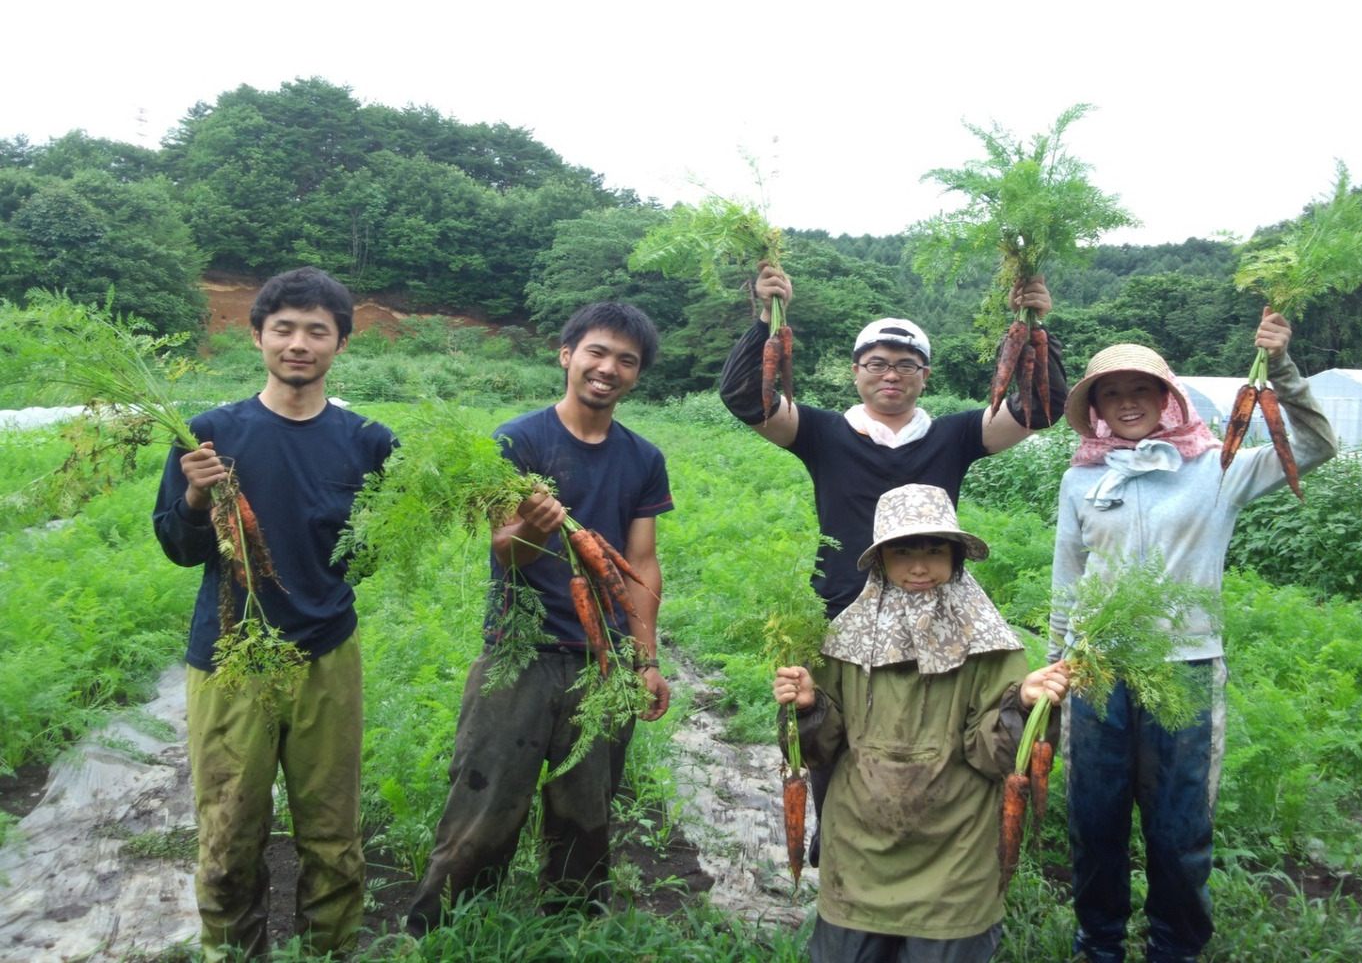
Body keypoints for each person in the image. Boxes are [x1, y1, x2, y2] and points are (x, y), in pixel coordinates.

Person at [1049, 309, 1338, 963]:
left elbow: (1317, 447)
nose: (1127, 403)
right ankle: (1098, 944)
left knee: (1178, 827)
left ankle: (1175, 947)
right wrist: (1056, 665)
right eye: (1112, 394)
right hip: (1095, 668)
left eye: (1141, 390)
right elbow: (1068, 577)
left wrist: (1283, 370)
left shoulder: (1219, 466)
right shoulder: (1082, 477)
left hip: (1185, 665)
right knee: (1093, 820)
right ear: (1096, 408)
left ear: (1168, 398)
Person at [152, 266, 397, 960]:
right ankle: (232, 952)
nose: (298, 344)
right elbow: (177, 547)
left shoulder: (369, 442)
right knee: (228, 837)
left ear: (341, 343)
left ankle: (330, 951)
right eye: (283, 329)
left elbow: (371, 555)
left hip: (327, 654)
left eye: (317, 331)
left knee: (333, 835)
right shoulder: (208, 433)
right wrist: (196, 499)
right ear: (256, 335)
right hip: (231, 656)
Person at [406, 301, 673, 935]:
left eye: (626, 360)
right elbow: (506, 551)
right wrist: (535, 525)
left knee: (588, 809)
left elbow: (641, 563)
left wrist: (646, 660)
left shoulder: (643, 458)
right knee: (485, 800)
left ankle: (570, 930)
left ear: (637, 375)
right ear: (567, 355)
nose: (608, 369)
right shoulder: (519, 440)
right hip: (518, 651)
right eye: (597, 352)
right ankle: (440, 931)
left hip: (603, 659)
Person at [774, 484, 1070, 963]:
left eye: (934, 551)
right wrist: (807, 707)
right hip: (859, 852)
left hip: (956, 857)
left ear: (956, 557)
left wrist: (1023, 704)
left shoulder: (990, 645)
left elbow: (994, 756)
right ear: (880, 560)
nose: (919, 567)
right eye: (903, 551)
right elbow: (820, 750)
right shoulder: (843, 639)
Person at [720, 261, 1068, 621]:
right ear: (856, 373)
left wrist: (1032, 327)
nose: (891, 375)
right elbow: (743, 397)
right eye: (877, 364)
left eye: (906, 365)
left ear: (924, 376)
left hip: (934, 612)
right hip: (843, 610)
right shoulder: (819, 432)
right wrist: (768, 318)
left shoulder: (955, 436)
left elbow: (1039, 410)